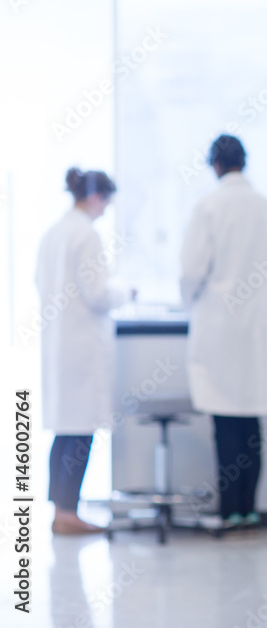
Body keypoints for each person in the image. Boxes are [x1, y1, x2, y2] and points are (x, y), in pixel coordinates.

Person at [180, 134, 267, 529]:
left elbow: (191, 272)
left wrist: (189, 299)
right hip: (259, 330)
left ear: (214, 165)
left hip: (221, 329)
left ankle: (229, 511)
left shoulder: (207, 207)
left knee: (226, 422)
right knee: (251, 426)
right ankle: (248, 509)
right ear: (243, 163)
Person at [36, 168, 128, 535]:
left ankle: (62, 510)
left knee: (65, 430)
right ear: (94, 197)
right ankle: (69, 513)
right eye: (106, 202)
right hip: (82, 347)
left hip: (60, 344)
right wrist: (125, 292)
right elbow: (98, 293)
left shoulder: (52, 233)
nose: (105, 211)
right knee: (80, 431)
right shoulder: (86, 235)